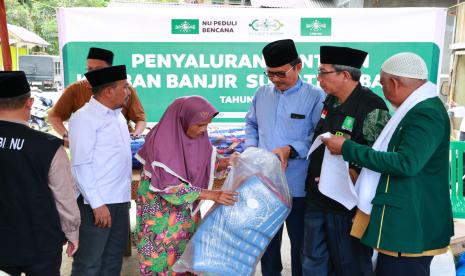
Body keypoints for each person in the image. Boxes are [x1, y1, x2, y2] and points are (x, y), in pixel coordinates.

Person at [323, 52, 454, 276]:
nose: (382, 91)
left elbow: (406, 163)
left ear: (394, 83)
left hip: (410, 223)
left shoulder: (425, 113)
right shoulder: (415, 108)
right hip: (403, 221)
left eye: (383, 85)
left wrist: (347, 148)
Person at [302, 46, 390, 276]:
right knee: (312, 262)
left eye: (323, 72)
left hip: (347, 203)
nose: (318, 79)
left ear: (345, 75)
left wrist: (349, 174)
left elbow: (379, 158)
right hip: (317, 196)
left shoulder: (372, 107)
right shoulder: (330, 100)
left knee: (349, 265)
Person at [244, 39, 325, 276]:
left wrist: (291, 148)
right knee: (267, 241)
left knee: (300, 243)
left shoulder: (315, 97)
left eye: (281, 73)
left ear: (298, 66)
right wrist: (251, 149)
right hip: (265, 184)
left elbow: (319, 136)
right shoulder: (262, 93)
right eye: (270, 74)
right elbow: (251, 124)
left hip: (297, 184)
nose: (276, 79)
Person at [135, 95, 238, 275]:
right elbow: (169, 187)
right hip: (162, 221)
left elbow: (202, 164)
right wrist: (212, 194)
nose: (203, 130)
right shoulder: (161, 142)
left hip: (186, 218)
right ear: (183, 120)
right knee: (162, 264)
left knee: (186, 264)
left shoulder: (198, 137)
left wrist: (226, 162)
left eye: (207, 125)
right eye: (199, 125)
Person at [0, 71, 80, 276]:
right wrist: (73, 233)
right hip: (40, 243)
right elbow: (65, 196)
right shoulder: (48, 146)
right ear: (29, 102)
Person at [69, 65, 132, 276]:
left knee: (113, 258)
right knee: (89, 263)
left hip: (120, 199)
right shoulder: (84, 118)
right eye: (124, 87)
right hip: (96, 203)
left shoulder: (118, 116)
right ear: (108, 91)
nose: (128, 92)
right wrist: (97, 204)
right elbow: (80, 164)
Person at [48, 47, 146, 145]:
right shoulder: (75, 89)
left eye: (99, 69)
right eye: (90, 69)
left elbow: (140, 119)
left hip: (121, 144)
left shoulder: (124, 90)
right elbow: (54, 116)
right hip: (89, 145)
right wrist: (66, 136)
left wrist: (135, 135)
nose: (93, 73)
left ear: (110, 69)